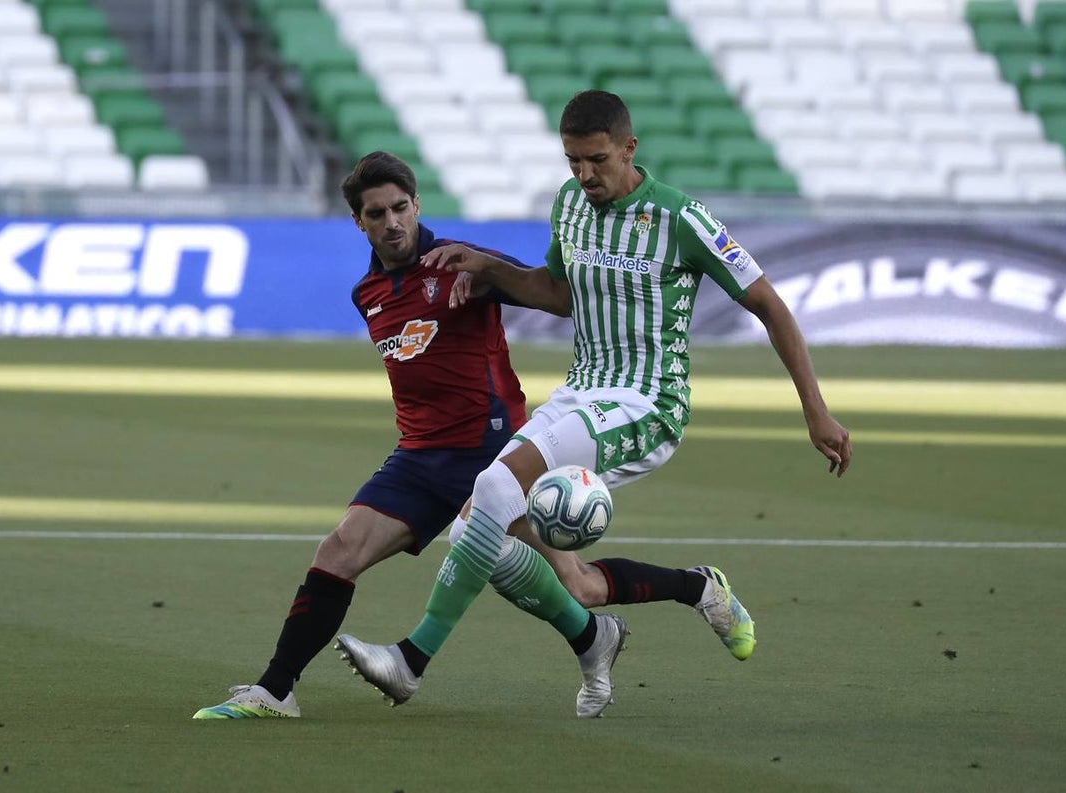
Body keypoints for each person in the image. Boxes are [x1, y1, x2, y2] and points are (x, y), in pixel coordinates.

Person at [335, 91, 853, 719]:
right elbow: (555, 293)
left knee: (496, 487)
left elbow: (769, 305)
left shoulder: (679, 218)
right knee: (478, 529)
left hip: (647, 402)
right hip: (583, 390)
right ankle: (662, 607)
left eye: (597, 161)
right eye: (573, 162)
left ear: (629, 149)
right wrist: (489, 267)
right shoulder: (569, 205)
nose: (585, 176)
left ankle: (410, 663)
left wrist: (815, 411)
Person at [193, 150, 760, 721]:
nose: (391, 222)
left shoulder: (463, 263)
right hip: (417, 457)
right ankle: (275, 690)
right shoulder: (366, 295)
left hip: (492, 449)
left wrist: (489, 274)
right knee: (339, 550)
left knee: (578, 583)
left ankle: (694, 589)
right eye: (376, 214)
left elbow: (555, 297)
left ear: (416, 206)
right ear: (358, 223)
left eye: (399, 208)